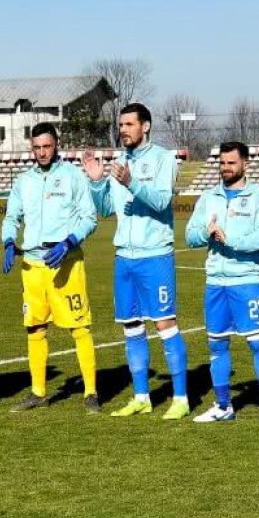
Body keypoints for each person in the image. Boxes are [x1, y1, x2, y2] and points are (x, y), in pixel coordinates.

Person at [84, 103, 190, 419]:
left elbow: (161, 201)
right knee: (131, 326)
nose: (123, 130)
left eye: (129, 124)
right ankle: (142, 396)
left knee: (165, 324)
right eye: (121, 125)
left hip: (154, 254)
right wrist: (96, 183)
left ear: (145, 126)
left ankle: (181, 399)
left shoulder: (164, 159)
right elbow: (106, 209)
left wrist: (132, 182)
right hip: (124, 257)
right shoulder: (119, 162)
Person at [1, 123, 100, 413]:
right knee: (35, 328)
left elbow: (89, 218)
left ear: (56, 145)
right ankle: (38, 392)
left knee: (79, 326)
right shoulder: (24, 181)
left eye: (47, 146)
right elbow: (11, 216)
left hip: (66, 263)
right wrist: (8, 241)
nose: (42, 152)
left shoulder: (73, 176)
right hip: (32, 265)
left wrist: (69, 242)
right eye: (37, 147)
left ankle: (91, 392)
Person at [186, 142, 259, 425]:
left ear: (245, 164)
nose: (225, 168)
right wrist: (207, 232)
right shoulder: (208, 197)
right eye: (222, 163)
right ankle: (223, 405)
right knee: (216, 346)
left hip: (246, 282)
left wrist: (231, 240)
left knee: (258, 344)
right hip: (215, 283)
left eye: (231, 163)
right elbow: (189, 236)